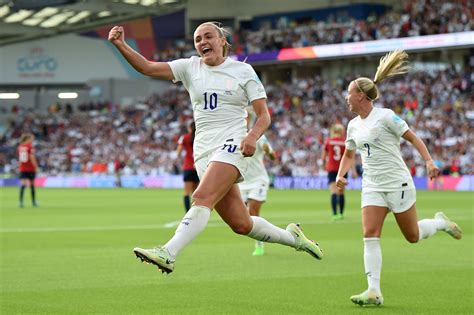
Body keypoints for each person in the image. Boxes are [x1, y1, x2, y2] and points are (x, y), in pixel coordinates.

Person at [108, 21, 323, 274]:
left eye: (208, 36)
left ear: (222, 41)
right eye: (198, 39)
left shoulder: (243, 71)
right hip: (203, 150)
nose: (202, 43)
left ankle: (168, 252)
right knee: (241, 224)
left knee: (201, 197)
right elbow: (147, 67)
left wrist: (252, 136)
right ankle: (294, 239)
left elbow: (263, 115)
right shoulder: (190, 67)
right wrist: (120, 44)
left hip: (231, 142)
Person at [336, 49, 462, 306]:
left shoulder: (385, 117)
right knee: (369, 234)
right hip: (372, 185)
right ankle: (374, 291)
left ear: (360, 95)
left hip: (397, 183)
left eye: (349, 92)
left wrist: (428, 161)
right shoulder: (352, 125)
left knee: (412, 236)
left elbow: (413, 137)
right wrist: (341, 175)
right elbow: (349, 154)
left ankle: (440, 223)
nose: (346, 97)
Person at [238, 111, 276, 256]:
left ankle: (259, 244)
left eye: (246, 117)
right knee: (242, 218)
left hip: (258, 180)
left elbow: (273, 157)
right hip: (242, 183)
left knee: (253, 212)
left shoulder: (259, 137)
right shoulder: (233, 136)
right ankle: (261, 237)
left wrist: (269, 152)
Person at [321, 123, 356, 221]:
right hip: (343, 169)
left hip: (331, 168)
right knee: (341, 192)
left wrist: (323, 165)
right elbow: (350, 157)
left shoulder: (329, 141)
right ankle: (341, 213)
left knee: (333, 191)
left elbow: (323, 157)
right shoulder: (345, 142)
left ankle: (334, 214)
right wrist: (353, 170)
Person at [176, 121, 199, 212]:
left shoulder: (184, 137)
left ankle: (187, 213)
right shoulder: (200, 137)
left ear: (189, 128)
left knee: (186, 192)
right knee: (196, 193)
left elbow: (178, 152)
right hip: (198, 167)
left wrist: (182, 161)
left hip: (188, 167)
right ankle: (195, 213)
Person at [17, 133, 39, 208]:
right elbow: (32, 157)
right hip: (30, 168)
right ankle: (33, 202)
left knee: (23, 185)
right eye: (31, 139)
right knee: (32, 185)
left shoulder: (20, 147)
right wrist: (36, 167)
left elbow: (20, 159)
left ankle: (21, 202)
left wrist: (19, 166)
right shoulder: (30, 147)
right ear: (27, 139)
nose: (32, 140)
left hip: (22, 168)